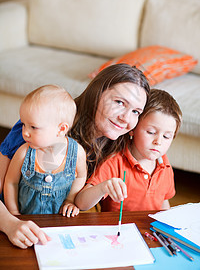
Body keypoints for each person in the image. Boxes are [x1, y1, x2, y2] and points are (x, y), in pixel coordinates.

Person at [0, 63, 150, 248]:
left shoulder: (117, 143)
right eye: (119, 102)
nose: (126, 118)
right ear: (97, 93)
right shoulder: (38, 126)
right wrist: (9, 222)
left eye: (135, 111)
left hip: (56, 232)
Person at [75, 89, 182, 212]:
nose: (158, 141)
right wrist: (103, 187)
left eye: (166, 136)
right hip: (118, 229)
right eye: (151, 132)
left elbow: (164, 202)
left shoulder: (164, 164)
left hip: (149, 229)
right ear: (133, 128)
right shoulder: (114, 163)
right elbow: (81, 203)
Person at [4, 84, 87, 218]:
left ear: (61, 129)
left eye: (33, 127)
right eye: (24, 124)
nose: (25, 132)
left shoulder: (76, 153)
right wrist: (14, 213)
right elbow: (10, 182)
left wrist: (70, 200)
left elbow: (81, 176)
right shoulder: (24, 152)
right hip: (27, 220)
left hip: (59, 223)